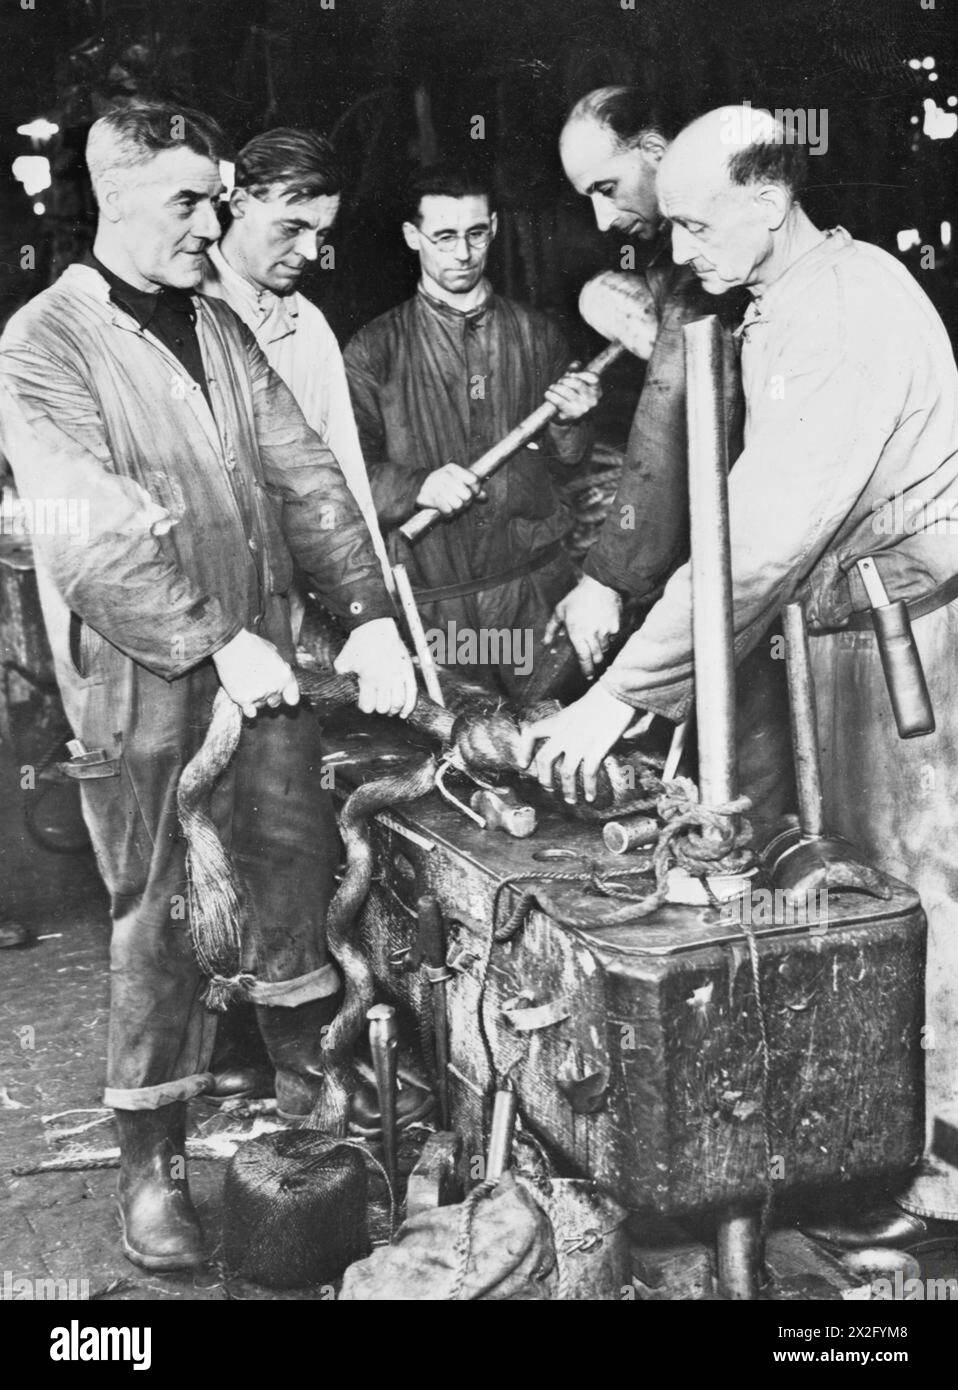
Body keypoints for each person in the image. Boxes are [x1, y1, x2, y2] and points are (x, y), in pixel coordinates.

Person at [522, 105, 958, 1248]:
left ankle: (945, 1173)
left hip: (904, 635)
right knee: (863, 882)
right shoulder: (786, 297)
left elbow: (757, 537)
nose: (674, 251)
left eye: (694, 223)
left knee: (921, 888)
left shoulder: (845, 311)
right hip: (851, 630)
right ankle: (883, 1140)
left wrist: (618, 695)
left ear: (767, 204)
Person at [0, 101, 420, 1272]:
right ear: (114, 197)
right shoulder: (41, 344)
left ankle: (310, 1124)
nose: (212, 221)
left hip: (265, 667)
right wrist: (204, 637)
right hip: (144, 682)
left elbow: (309, 477)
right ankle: (150, 1169)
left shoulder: (219, 325)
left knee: (293, 875)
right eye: (188, 200)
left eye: (215, 197)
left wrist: (371, 613)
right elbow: (80, 530)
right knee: (162, 916)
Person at [553, 87, 791, 838]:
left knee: (759, 786)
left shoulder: (708, 266)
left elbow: (668, 418)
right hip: (755, 567)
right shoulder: (685, 258)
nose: (600, 218)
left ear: (656, 156)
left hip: (787, 572)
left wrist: (607, 579)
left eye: (605, 188)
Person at [343, 161, 600, 698]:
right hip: (442, 603)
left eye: (476, 233)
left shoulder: (537, 334)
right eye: (443, 237)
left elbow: (569, 465)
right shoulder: (375, 348)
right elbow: (344, 475)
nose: (462, 253)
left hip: (534, 590)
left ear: (495, 228)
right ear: (413, 237)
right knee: (461, 747)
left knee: (551, 734)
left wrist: (574, 423)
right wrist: (417, 486)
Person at [201, 126, 392, 589]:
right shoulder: (179, 307)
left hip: (293, 585)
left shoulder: (310, 328)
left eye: (321, 233)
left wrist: (375, 593)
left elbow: (345, 474)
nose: (309, 252)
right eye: (293, 228)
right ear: (240, 203)